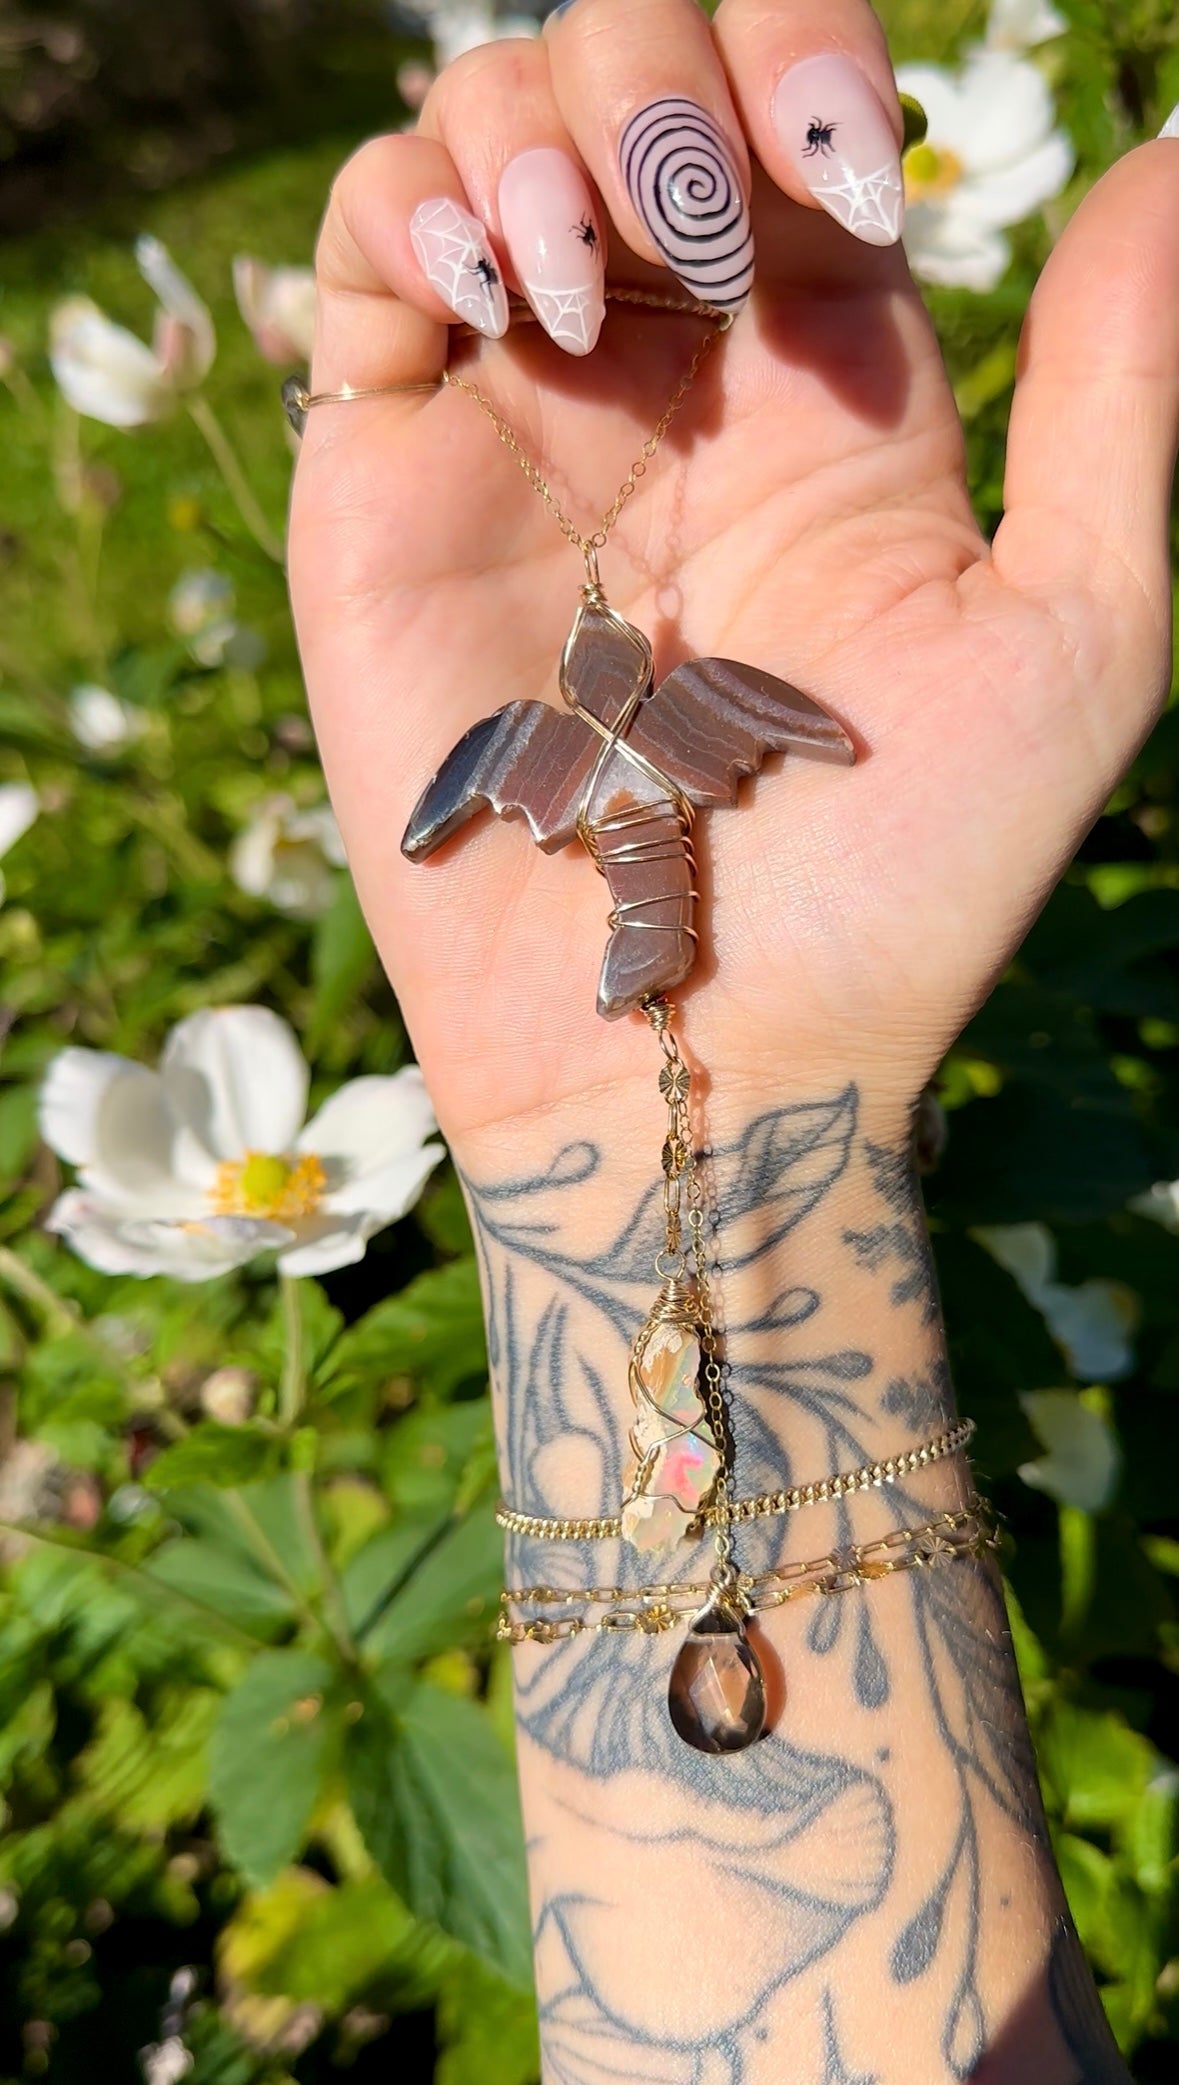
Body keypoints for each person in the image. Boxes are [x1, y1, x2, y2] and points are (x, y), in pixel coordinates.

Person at [288, 1, 1177, 2075]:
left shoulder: (644, 729)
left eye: (608, 676)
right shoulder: (552, 741)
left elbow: (754, 729)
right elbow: (480, 788)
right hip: (633, 936)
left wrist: (762, 1077)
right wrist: (653, 1085)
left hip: (665, 923)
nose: (602, 671)